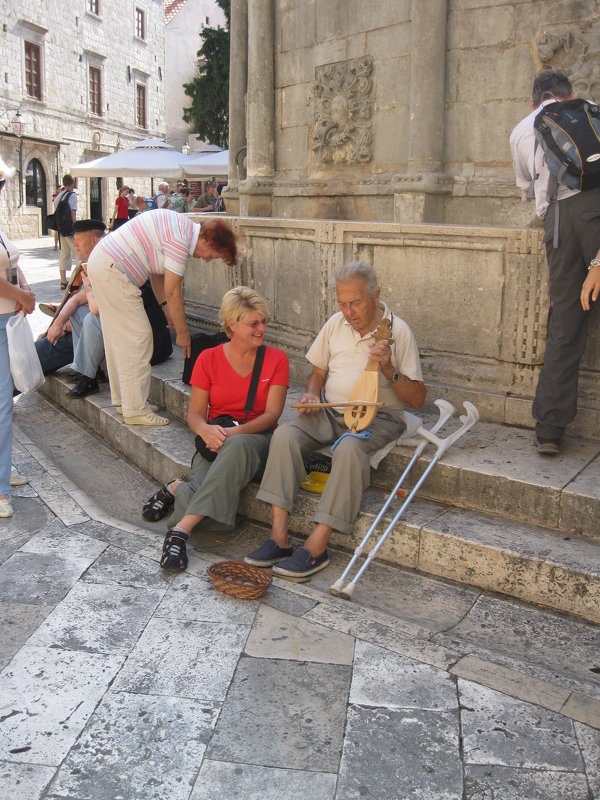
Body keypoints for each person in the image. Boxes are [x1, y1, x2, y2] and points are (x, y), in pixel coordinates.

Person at [244, 260, 426, 581]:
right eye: (342, 303)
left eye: (355, 302)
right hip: (331, 410)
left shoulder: (398, 331)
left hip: (379, 416)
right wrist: (313, 395)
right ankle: (279, 538)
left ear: (375, 295)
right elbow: (316, 375)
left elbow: (417, 398)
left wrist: (388, 370)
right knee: (285, 435)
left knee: (349, 450)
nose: (348, 311)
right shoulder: (334, 324)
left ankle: (318, 545)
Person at [141, 286, 289, 571]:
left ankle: (179, 531)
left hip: (258, 440)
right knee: (214, 519)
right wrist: (205, 430)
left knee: (236, 447)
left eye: (264, 322)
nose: (262, 329)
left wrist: (232, 435)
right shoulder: (208, 358)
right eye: (254, 323)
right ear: (231, 324)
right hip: (215, 439)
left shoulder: (276, 360)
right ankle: (180, 489)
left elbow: (272, 416)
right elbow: (195, 414)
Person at [510, 69, 600, 455]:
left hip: (560, 226)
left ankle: (549, 429)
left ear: (536, 102)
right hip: (596, 211)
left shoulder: (522, 129)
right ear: (570, 95)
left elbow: (525, 188)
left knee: (565, 322)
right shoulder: (592, 111)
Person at [86, 209, 238, 426]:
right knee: (139, 338)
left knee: (118, 339)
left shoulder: (180, 227)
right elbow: (172, 290)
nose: (206, 260)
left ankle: (124, 402)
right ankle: (135, 409)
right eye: (212, 255)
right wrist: (183, 334)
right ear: (208, 240)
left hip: (103, 263)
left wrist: (168, 312)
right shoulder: (181, 240)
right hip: (113, 269)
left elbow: (157, 275)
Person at [40, 219, 172, 397]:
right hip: (126, 333)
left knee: (93, 320)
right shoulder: (96, 261)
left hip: (150, 345)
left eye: (79, 239)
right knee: (79, 313)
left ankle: (88, 377)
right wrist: (57, 324)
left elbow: (95, 309)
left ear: (94, 241)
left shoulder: (111, 262)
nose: (75, 244)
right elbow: (76, 300)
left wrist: (87, 284)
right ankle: (89, 371)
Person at [0, 157, 36, 518]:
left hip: (6, 320)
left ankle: (3, 468)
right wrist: (20, 294)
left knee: (3, 404)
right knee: (1, 407)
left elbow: (9, 260)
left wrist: (22, 286)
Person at [54, 174, 78, 289]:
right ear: (72, 183)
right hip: (70, 229)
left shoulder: (59, 196)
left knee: (64, 253)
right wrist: (76, 227)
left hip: (61, 229)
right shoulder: (72, 195)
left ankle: (63, 281)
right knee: (78, 253)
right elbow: (72, 212)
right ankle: (78, 280)